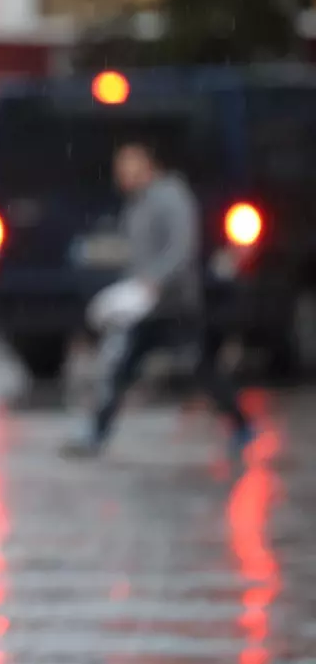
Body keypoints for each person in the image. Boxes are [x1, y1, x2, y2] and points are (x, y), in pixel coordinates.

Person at [63, 140, 253, 459]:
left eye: (130, 166)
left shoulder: (171, 197)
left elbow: (181, 248)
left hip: (175, 304)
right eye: (120, 167)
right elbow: (135, 251)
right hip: (145, 309)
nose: (123, 174)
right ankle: (96, 432)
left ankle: (242, 426)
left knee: (200, 368)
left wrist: (155, 282)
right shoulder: (137, 203)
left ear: (148, 164)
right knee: (120, 369)